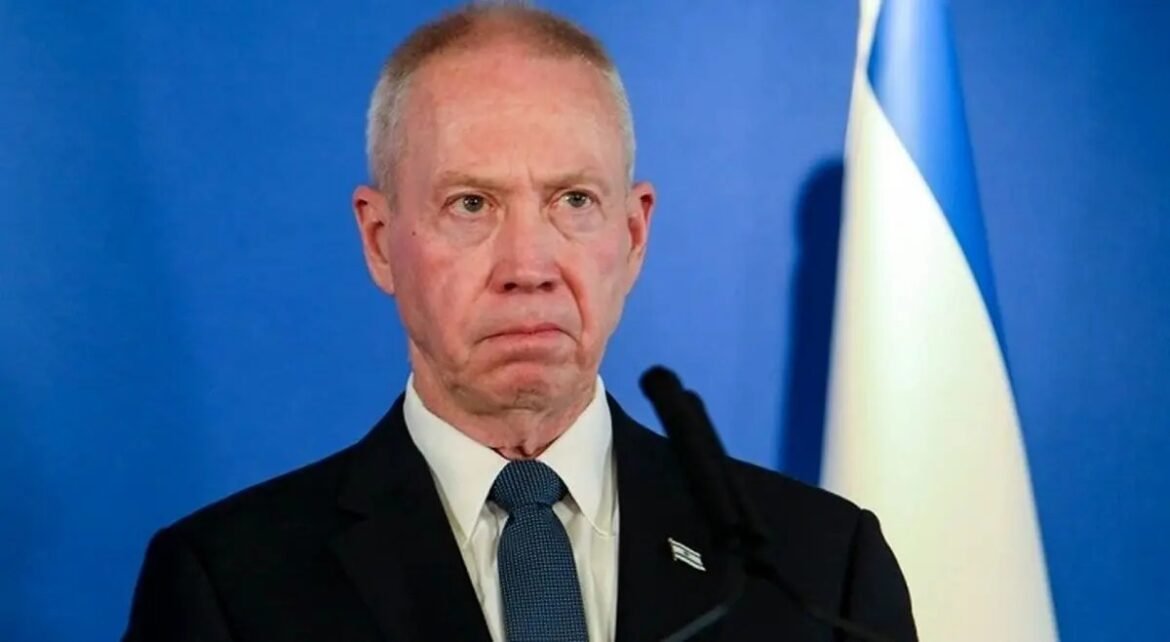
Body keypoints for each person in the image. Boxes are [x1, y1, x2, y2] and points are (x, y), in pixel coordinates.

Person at [123, 3, 916, 641]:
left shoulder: (819, 568)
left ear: (633, 234)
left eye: (574, 200)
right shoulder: (228, 586)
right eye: (471, 203)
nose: (528, 265)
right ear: (380, 241)